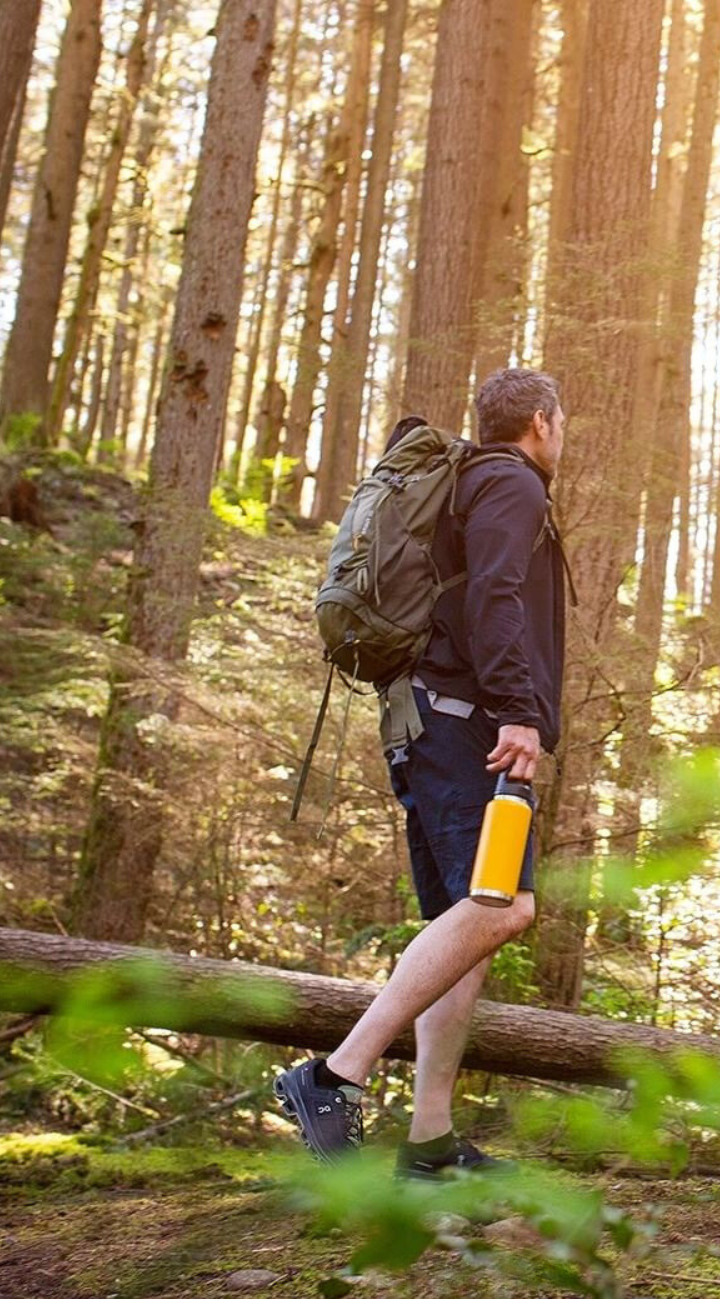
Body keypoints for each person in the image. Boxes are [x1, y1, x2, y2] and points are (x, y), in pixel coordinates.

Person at [275, 367, 567, 1177]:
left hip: (427, 723)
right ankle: (335, 1073)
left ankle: (431, 1142)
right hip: (470, 727)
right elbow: (497, 598)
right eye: (559, 422)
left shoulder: (465, 484)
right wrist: (519, 712)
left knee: (461, 927)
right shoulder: (511, 482)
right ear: (541, 422)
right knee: (503, 907)